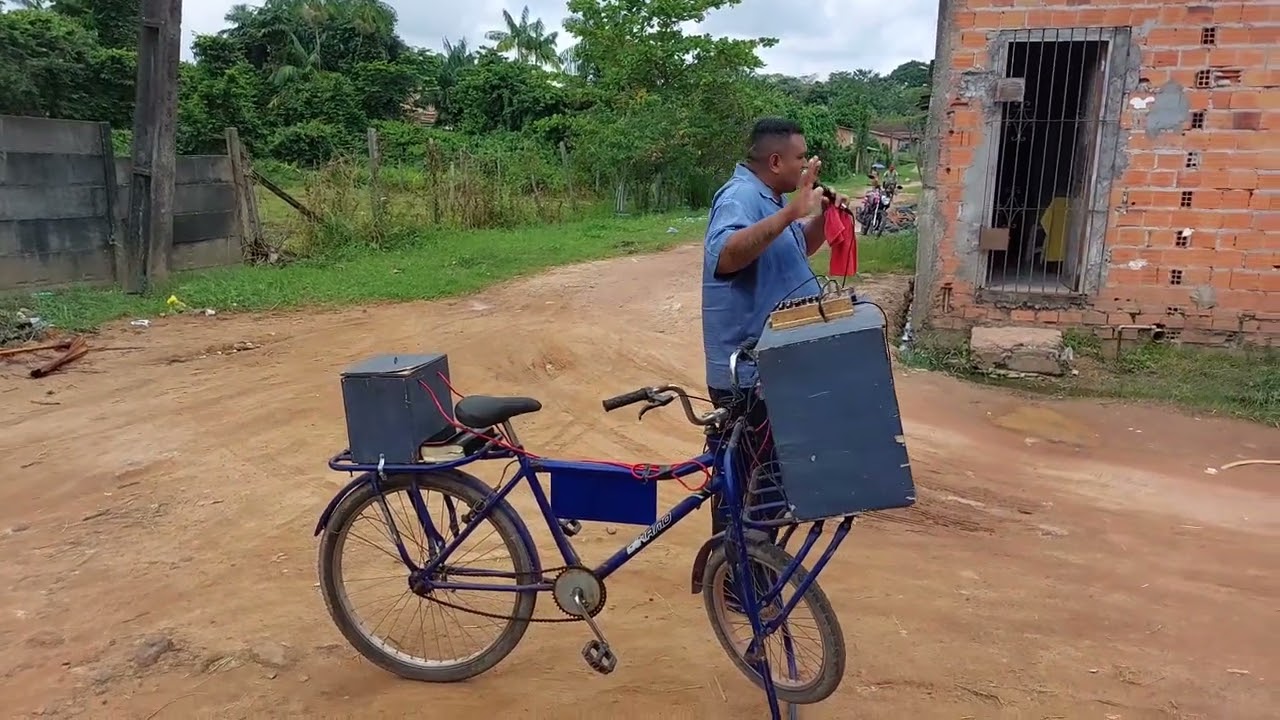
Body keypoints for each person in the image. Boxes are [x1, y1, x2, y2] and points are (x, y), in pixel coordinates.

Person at [700, 117, 850, 540]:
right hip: (745, 376)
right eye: (800, 158)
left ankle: (747, 577)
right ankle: (735, 583)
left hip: (775, 367)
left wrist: (821, 216)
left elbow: (794, 247)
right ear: (775, 160)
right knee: (745, 486)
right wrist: (790, 212)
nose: (804, 167)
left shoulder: (767, 197)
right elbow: (726, 254)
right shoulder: (740, 195)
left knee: (769, 484)